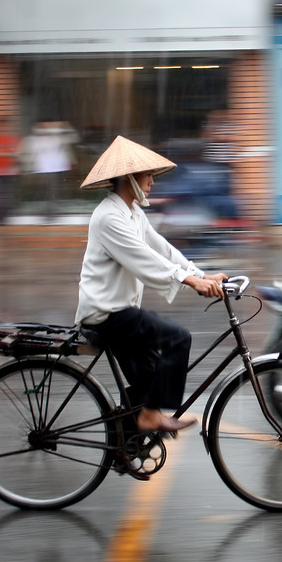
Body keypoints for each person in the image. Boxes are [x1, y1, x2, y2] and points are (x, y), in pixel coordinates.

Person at [74, 135, 228, 433]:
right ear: (128, 178)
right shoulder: (109, 218)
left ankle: (127, 442)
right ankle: (150, 417)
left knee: (148, 378)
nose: (152, 182)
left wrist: (200, 274)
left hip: (121, 311)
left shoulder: (132, 213)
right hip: (107, 315)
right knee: (178, 338)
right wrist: (190, 281)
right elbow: (145, 260)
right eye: (147, 175)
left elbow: (162, 249)